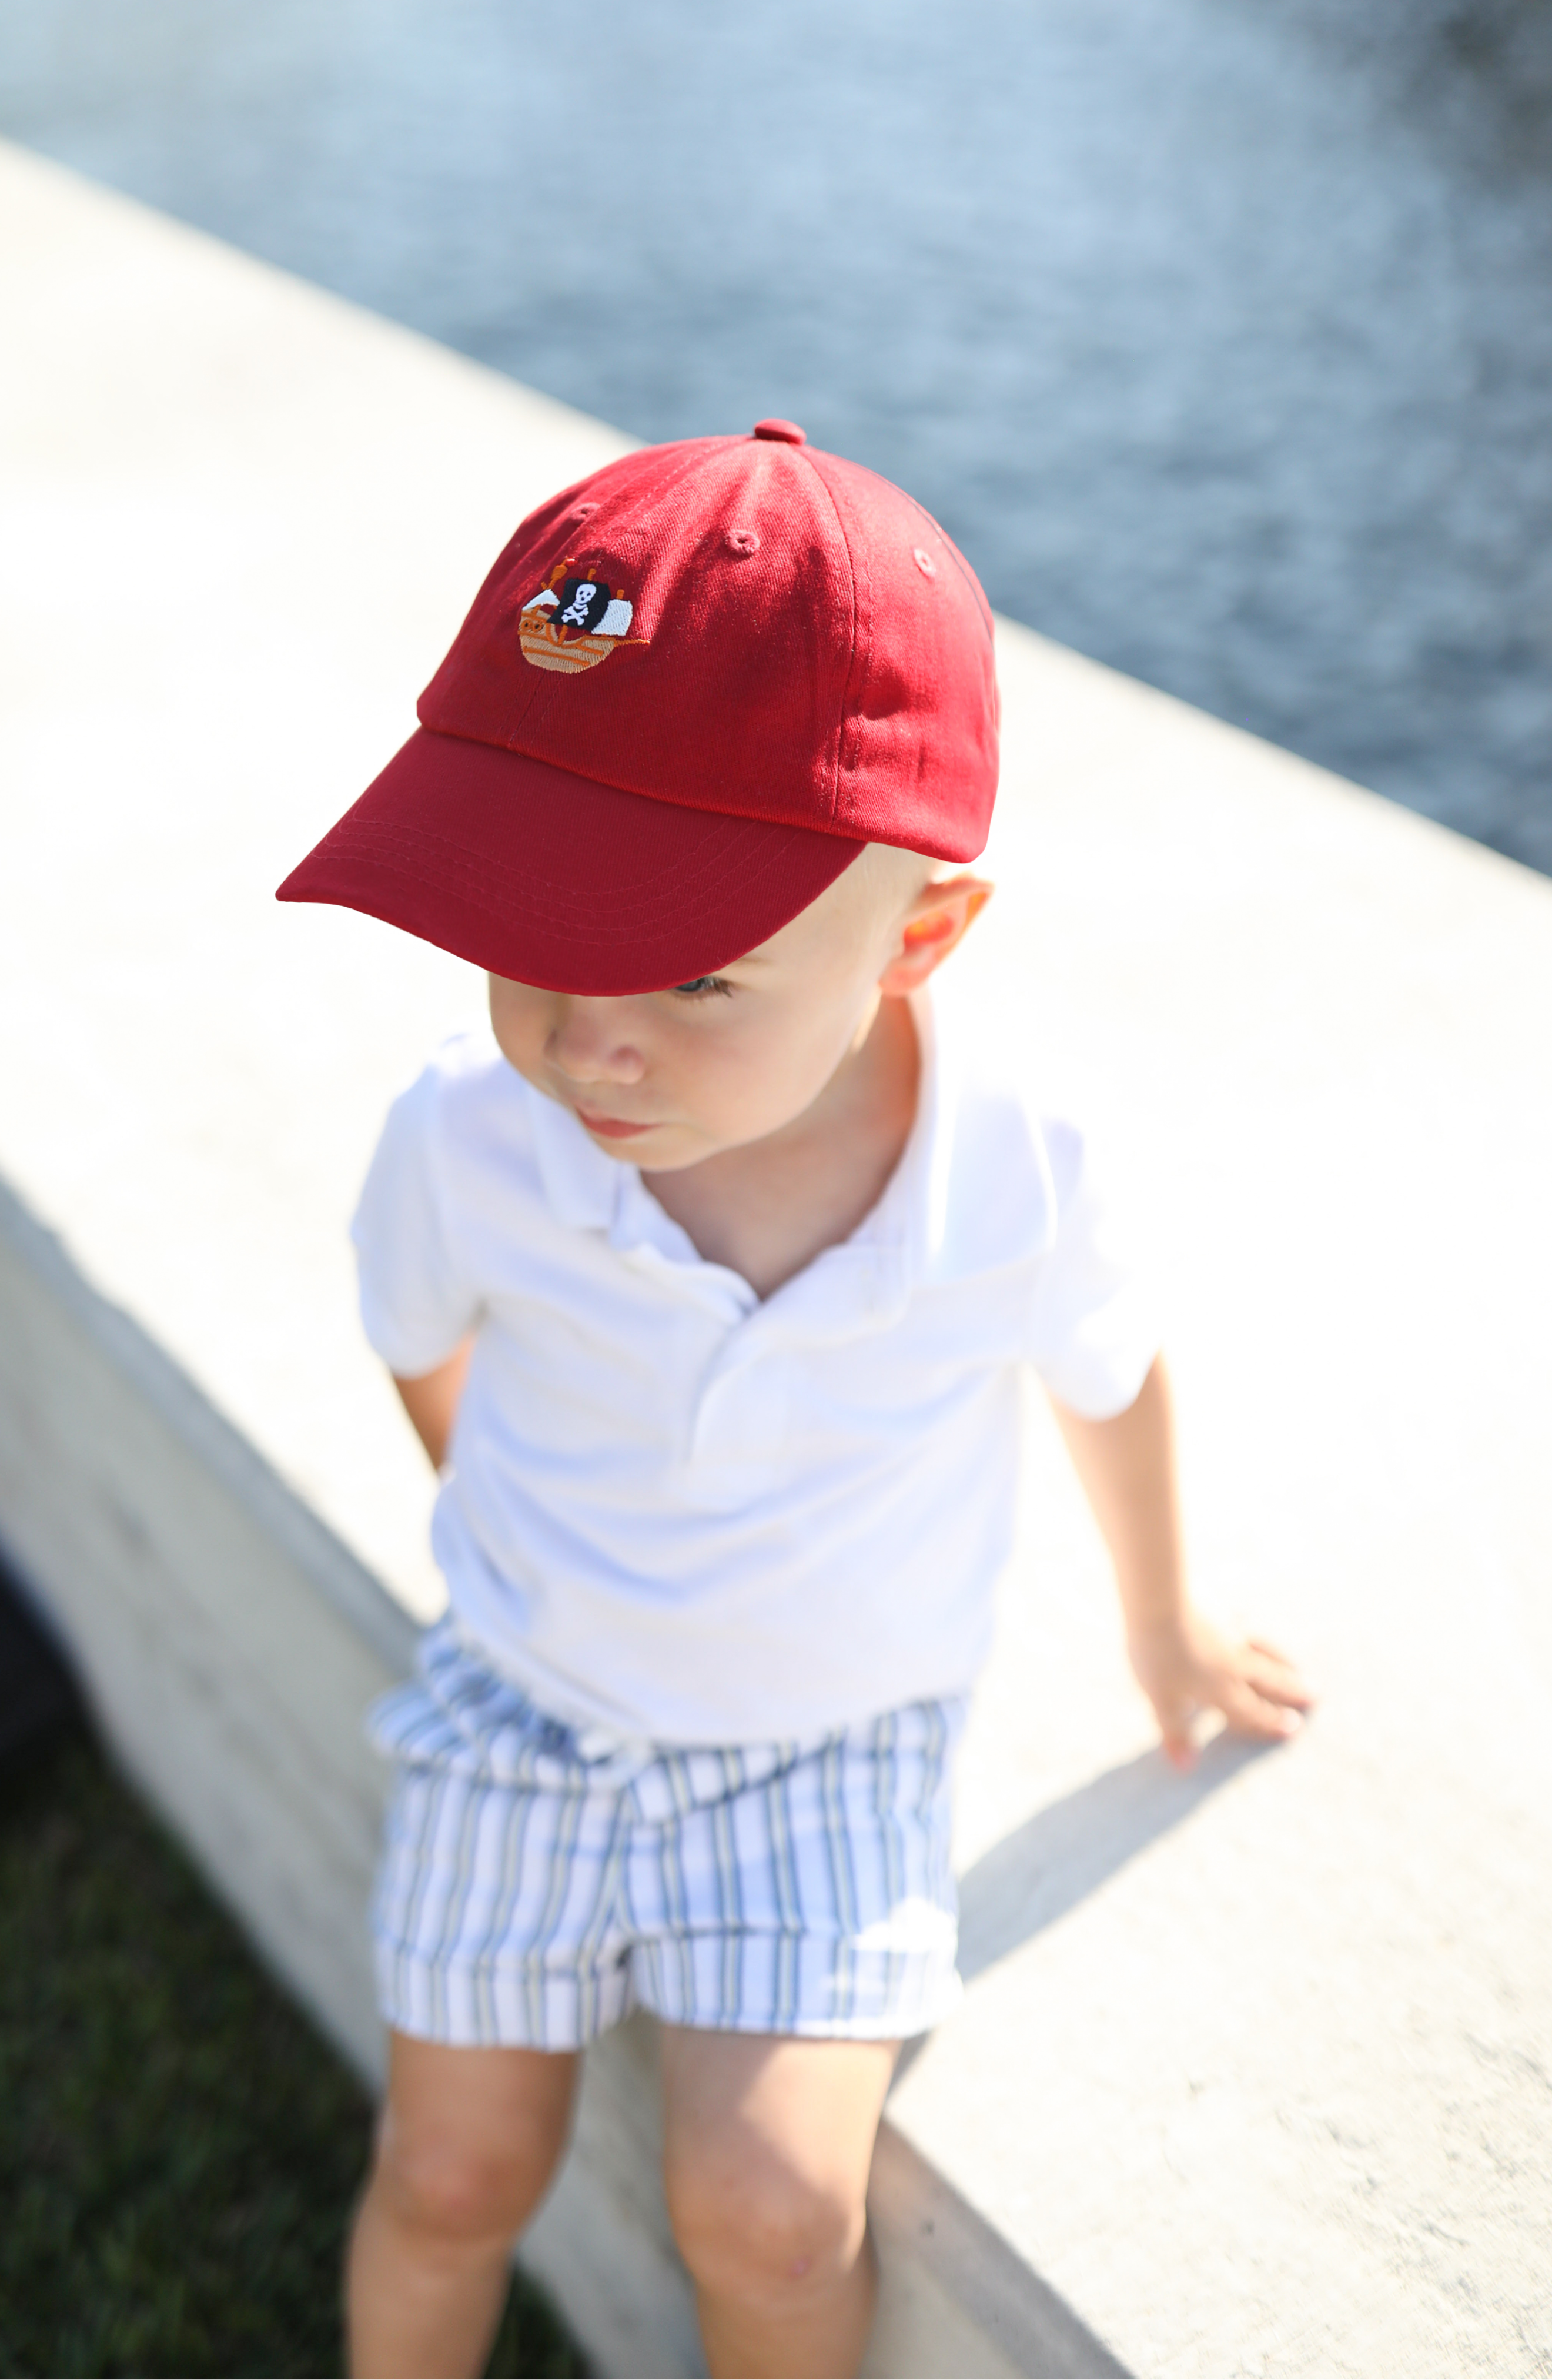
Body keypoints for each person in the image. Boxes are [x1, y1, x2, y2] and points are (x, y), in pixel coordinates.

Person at [277, 419, 1313, 2380]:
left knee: (771, 2210)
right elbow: (422, 1337)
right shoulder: (473, 1134)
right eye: (532, 934)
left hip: (822, 1752)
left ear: (917, 936)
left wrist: (1165, 1623)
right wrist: (505, 1519)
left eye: (690, 975)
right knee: (446, 2174)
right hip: (526, 1708)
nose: (591, 1038)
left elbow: (1107, 1369)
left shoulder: (1017, 1166)